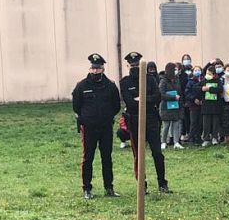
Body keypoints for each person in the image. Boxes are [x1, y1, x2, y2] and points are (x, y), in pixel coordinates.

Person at [71, 54, 121, 200]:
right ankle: (87, 188)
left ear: (103, 69)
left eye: (97, 69)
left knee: (107, 157)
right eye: (93, 68)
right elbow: (76, 106)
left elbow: (116, 105)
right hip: (89, 127)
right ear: (90, 69)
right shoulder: (82, 85)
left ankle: (109, 187)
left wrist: (106, 116)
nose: (95, 71)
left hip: (105, 127)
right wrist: (86, 118)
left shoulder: (110, 85)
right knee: (88, 158)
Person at [120, 53, 170, 193]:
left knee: (157, 153)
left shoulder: (150, 79)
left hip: (151, 119)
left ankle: (162, 183)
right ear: (128, 66)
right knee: (138, 155)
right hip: (134, 120)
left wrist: (141, 99)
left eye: (137, 65)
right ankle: (142, 185)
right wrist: (145, 100)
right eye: (132, 65)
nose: (135, 67)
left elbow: (157, 97)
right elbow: (129, 102)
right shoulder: (125, 82)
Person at [159, 62, 184, 150]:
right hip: (166, 106)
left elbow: (180, 91)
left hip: (176, 106)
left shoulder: (177, 80)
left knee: (176, 124)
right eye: (175, 69)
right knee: (166, 125)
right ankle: (163, 142)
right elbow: (161, 94)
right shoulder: (163, 81)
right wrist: (173, 97)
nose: (176, 71)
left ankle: (176, 142)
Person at [200, 63, 222, 146]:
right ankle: (206, 138)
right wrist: (202, 89)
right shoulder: (204, 80)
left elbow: (220, 89)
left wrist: (210, 89)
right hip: (206, 106)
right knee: (206, 123)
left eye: (209, 74)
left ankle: (215, 137)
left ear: (213, 74)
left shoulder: (218, 80)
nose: (207, 75)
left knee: (215, 123)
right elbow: (196, 88)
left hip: (215, 105)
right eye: (207, 73)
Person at [184, 64, 204, 146]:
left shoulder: (203, 81)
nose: (197, 71)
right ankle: (191, 138)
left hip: (202, 104)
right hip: (193, 105)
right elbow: (187, 93)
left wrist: (202, 100)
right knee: (193, 122)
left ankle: (198, 137)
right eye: (195, 70)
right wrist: (194, 99)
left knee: (200, 122)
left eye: (198, 70)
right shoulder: (190, 81)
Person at [179, 54, 193, 140]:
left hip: (191, 98)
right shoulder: (181, 73)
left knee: (191, 118)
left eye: (188, 59)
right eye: (184, 59)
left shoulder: (193, 70)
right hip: (183, 98)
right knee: (184, 118)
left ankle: (190, 133)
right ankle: (183, 133)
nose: (186, 60)